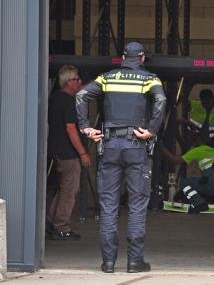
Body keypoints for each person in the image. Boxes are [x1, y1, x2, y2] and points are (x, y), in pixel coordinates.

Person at [76, 42, 166, 273]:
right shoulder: (149, 79)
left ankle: (108, 262)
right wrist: (152, 129)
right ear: (143, 58)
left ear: (123, 57)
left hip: (109, 145)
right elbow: (161, 100)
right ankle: (135, 262)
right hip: (136, 144)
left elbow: (81, 95)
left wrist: (86, 128)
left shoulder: (107, 78)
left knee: (108, 205)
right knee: (137, 204)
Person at [47, 65, 91, 241]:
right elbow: (71, 129)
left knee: (64, 188)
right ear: (69, 82)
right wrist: (83, 153)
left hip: (55, 150)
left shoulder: (56, 98)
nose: (80, 82)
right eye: (77, 79)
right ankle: (61, 227)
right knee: (70, 189)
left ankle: (51, 222)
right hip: (68, 153)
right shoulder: (68, 101)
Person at [160, 134, 214, 213]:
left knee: (184, 182)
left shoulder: (198, 150)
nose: (192, 144)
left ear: (198, 140)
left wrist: (162, 148)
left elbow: (175, 160)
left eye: (194, 141)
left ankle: (199, 204)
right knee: (208, 181)